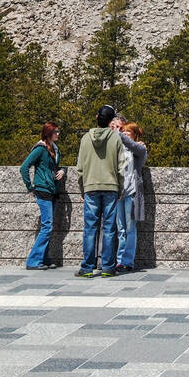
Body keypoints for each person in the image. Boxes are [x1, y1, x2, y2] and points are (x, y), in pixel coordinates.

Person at [75, 105, 126, 279]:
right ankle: (108, 267)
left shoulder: (85, 139)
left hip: (91, 187)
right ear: (111, 121)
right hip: (111, 187)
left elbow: (80, 168)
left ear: (97, 117)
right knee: (109, 229)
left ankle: (88, 267)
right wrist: (121, 188)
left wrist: (82, 189)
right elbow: (121, 168)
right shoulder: (115, 139)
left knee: (90, 228)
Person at [20, 121, 65, 270]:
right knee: (47, 226)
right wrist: (30, 187)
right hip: (43, 190)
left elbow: (54, 167)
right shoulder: (40, 149)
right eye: (56, 131)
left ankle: (44, 259)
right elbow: (24, 167)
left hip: (52, 191)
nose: (58, 134)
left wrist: (63, 169)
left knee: (48, 227)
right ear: (49, 133)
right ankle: (33, 261)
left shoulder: (54, 149)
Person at [112, 119, 148, 274]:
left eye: (128, 131)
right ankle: (119, 261)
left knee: (130, 228)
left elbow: (133, 146)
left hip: (132, 192)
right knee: (120, 229)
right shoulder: (119, 148)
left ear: (134, 135)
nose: (124, 133)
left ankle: (128, 261)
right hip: (119, 193)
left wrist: (118, 134)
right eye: (123, 130)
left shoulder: (139, 149)